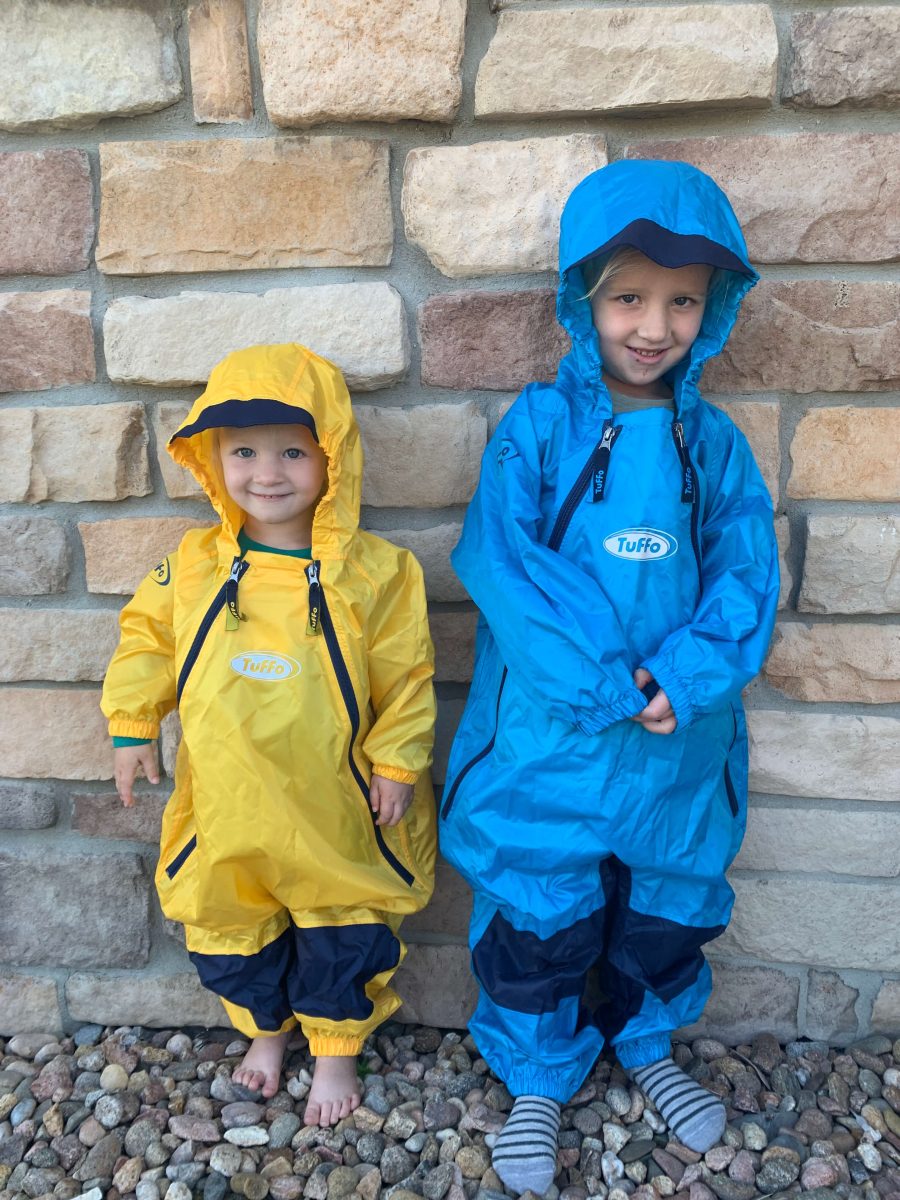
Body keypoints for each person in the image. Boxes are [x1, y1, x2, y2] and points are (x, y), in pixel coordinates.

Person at [439, 160, 779, 1194]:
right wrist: (605, 684)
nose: (654, 324)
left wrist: (690, 671)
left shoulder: (711, 445)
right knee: (542, 913)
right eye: (629, 295)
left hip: (680, 738)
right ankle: (539, 1075)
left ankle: (645, 1044)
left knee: (664, 906)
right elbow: (505, 567)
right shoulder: (538, 430)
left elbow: (745, 570)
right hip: (553, 737)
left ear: (712, 310)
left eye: (683, 301)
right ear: (583, 299)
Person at [102, 343, 436, 1125]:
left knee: (343, 928)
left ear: (333, 458)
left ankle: (336, 1049)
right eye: (243, 451)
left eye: (293, 450)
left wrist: (396, 761)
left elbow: (408, 675)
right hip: (228, 805)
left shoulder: (378, 572)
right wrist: (131, 723)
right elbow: (146, 640)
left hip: (336, 806)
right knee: (229, 927)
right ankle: (265, 1033)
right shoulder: (192, 565)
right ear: (212, 460)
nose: (268, 472)